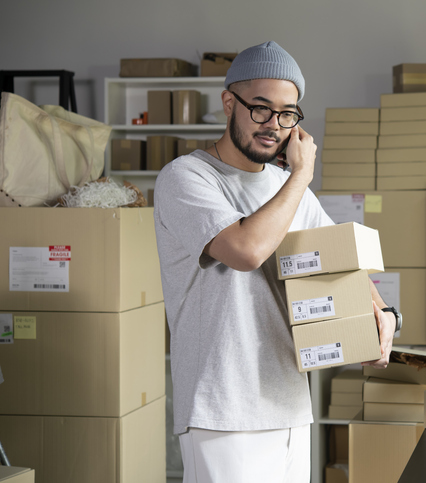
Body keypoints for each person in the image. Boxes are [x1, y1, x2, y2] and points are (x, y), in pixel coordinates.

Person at [153, 41, 398, 483]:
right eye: (261, 109)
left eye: (288, 114)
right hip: (222, 407)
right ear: (229, 102)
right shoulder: (186, 177)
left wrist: (381, 314)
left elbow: (340, 260)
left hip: (288, 401)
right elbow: (245, 250)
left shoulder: (287, 186)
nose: (275, 126)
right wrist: (302, 176)